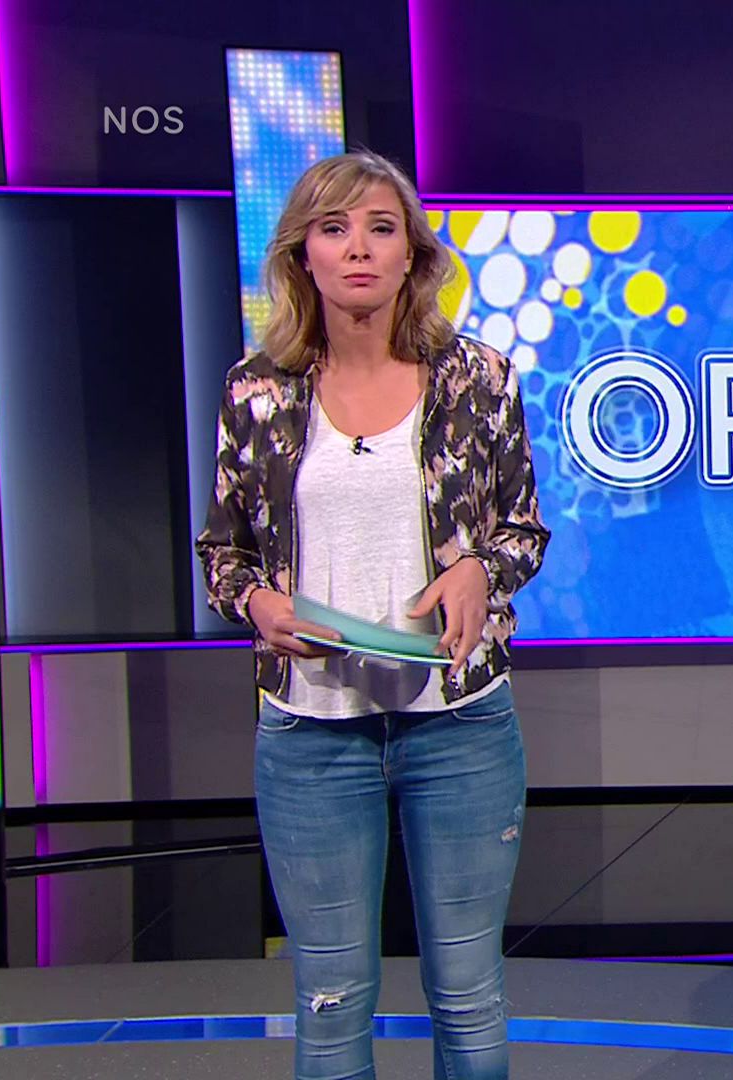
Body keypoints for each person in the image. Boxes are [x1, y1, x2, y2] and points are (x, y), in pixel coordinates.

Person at [196, 150, 549, 1080]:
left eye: (380, 228)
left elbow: (523, 530)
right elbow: (223, 553)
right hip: (312, 733)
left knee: (468, 998)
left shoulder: (479, 380)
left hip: (459, 728)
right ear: (302, 254)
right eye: (335, 228)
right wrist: (257, 602)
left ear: (411, 256)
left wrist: (480, 571)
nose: (358, 248)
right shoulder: (256, 391)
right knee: (330, 1004)